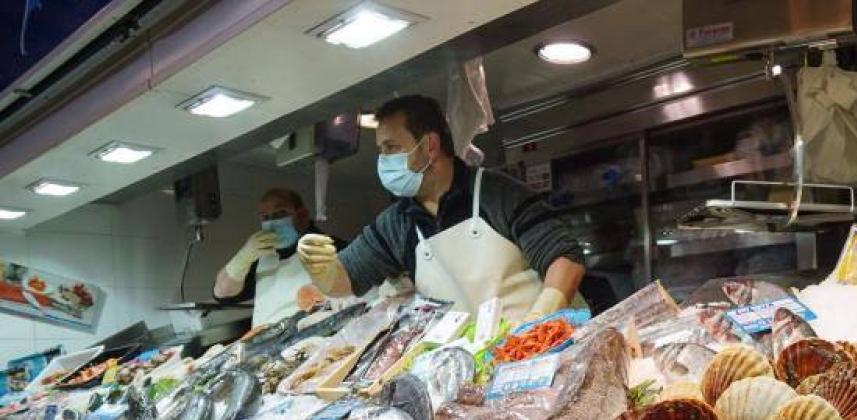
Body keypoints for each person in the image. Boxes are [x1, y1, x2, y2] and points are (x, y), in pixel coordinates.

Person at [296, 95, 585, 323]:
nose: (383, 160)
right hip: (477, 364)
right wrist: (324, 271)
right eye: (381, 150)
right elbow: (348, 279)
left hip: (545, 343)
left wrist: (541, 318)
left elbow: (564, 255)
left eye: (391, 147)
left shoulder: (496, 191)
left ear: (429, 145)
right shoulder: (396, 223)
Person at [213, 188, 347, 326]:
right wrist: (243, 257)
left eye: (281, 213)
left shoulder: (332, 248)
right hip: (268, 341)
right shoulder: (260, 257)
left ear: (303, 214)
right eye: (265, 217)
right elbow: (222, 295)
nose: (272, 223)